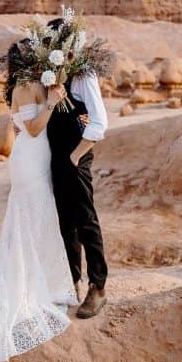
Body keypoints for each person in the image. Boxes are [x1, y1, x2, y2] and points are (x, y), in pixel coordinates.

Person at [0, 41, 78, 362]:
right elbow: (34, 129)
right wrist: (52, 103)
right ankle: (34, 284)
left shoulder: (21, 85)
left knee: (33, 217)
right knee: (33, 216)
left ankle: (41, 278)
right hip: (31, 157)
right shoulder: (28, 87)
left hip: (28, 157)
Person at [45, 17, 109, 319]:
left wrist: (75, 156)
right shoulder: (52, 74)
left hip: (76, 155)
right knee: (64, 223)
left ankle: (98, 287)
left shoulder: (84, 74)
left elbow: (99, 122)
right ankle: (71, 283)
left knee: (85, 220)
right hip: (57, 156)